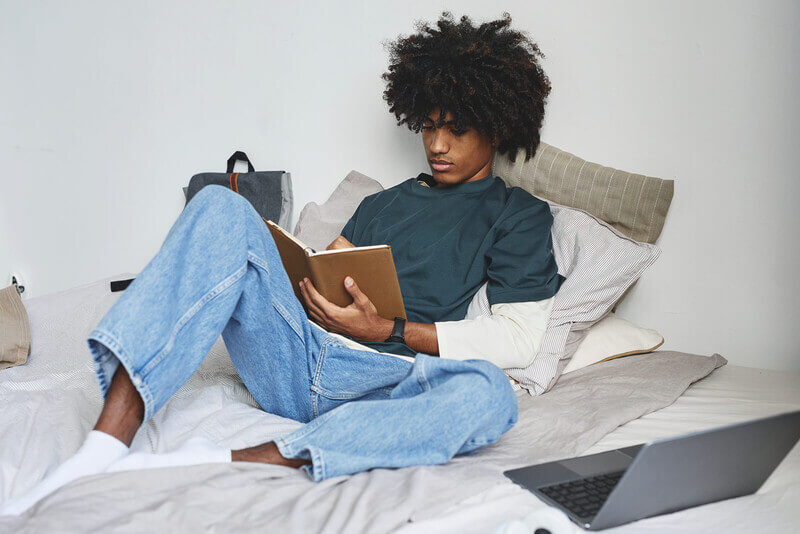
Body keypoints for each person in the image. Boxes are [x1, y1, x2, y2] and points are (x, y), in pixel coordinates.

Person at [0, 11, 562, 515]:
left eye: (456, 129)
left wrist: (388, 330)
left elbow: (520, 339)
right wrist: (303, 284)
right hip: (297, 355)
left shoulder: (516, 214)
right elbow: (329, 272)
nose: (436, 144)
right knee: (223, 204)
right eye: (428, 126)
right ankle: (106, 445)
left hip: (384, 381)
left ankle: (251, 456)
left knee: (489, 394)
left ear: (497, 126)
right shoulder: (381, 203)